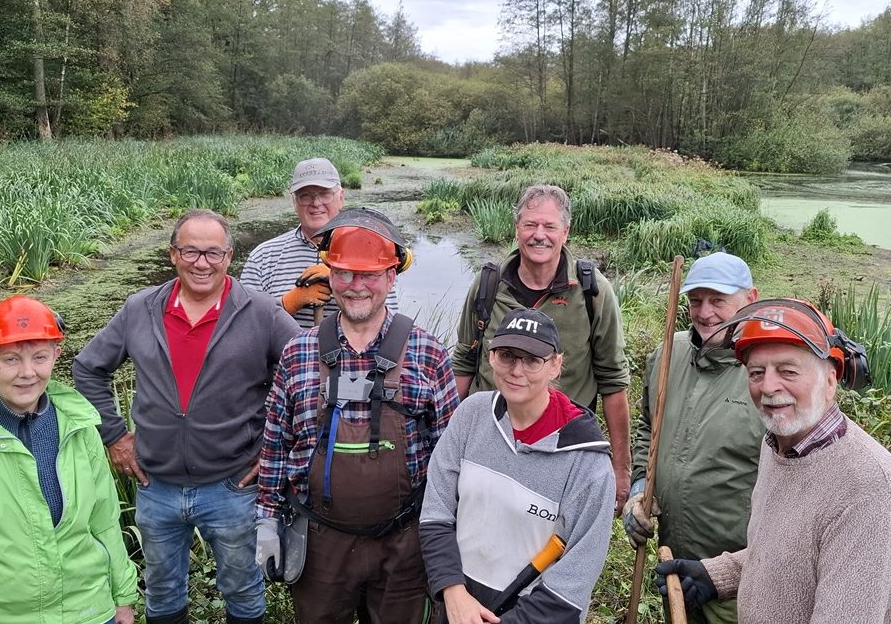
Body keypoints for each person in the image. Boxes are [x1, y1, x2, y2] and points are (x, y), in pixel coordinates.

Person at [73, 209, 299, 624]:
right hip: (155, 486)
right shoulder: (140, 308)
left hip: (232, 487)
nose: (202, 263)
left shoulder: (262, 312)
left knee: (242, 586)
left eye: (213, 253)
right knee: (161, 589)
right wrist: (115, 436)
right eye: (190, 251)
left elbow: (307, 374)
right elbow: (88, 368)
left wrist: (276, 451)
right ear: (173, 255)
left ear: (230, 257)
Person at [655, 299, 891, 623]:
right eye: (756, 372)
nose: (768, 387)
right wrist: (716, 574)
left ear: (830, 380)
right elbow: (785, 550)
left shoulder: (865, 490)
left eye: (788, 371)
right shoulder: (779, 446)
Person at [255, 207, 459, 624]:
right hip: (319, 544)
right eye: (345, 273)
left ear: (391, 277)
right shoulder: (298, 353)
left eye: (369, 274)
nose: (356, 286)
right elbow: (276, 444)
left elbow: (448, 459)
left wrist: (448, 538)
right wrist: (267, 519)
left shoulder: (427, 352)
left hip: (403, 545)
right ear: (329, 274)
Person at [0, 295, 138, 623]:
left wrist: (122, 596)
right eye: (11, 359)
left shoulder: (79, 425)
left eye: (40, 357)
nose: (27, 373)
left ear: (57, 354)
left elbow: (105, 520)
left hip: (88, 611)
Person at [421, 308, 615, 624]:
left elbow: (574, 580)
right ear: (491, 357)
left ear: (555, 365)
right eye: (507, 356)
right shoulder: (471, 415)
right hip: (457, 608)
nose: (517, 370)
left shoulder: (587, 462)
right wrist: (453, 592)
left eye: (532, 360)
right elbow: (436, 511)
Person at [451, 184, 632, 510]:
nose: (539, 235)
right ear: (516, 228)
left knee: (550, 539)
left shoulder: (593, 292)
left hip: (562, 448)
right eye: (530, 225)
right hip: (490, 439)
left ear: (566, 231)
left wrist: (621, 468)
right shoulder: (488, 285)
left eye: (549, 226)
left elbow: (613, 380)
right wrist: (448, 440)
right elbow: (464, 361)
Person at [623, 252, 763, 623]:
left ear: (750, 299)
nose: (704, 313)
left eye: (718, 300)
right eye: (695, 300)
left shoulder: (766, 372)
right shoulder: (669, 353)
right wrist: (639, 488)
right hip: (677, 566)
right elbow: (647, 429)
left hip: (743, 580)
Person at [240, 156, 398, 328]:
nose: (316, 203)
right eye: (305, 196)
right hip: (284, 354)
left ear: (341, 197)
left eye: (324, 194)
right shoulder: (263, 257)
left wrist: (342, 277)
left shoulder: (371, 250)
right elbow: (244, 326)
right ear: (294, 202)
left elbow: (390, 325)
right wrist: (287, 304)